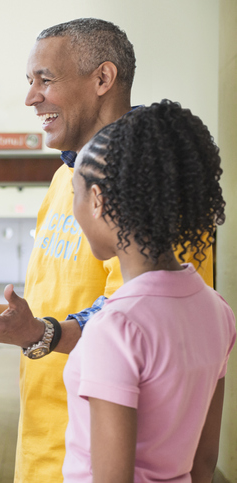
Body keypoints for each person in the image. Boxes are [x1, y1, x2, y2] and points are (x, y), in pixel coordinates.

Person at [0, 19, 214, 481]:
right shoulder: (63, 179)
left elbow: (131, 324)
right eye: (30, 82)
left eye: (45, 80)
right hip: (43, 453)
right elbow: (57, 309)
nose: (30, 97)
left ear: (103, 79)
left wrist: (38, 334)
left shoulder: (157, 191)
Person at [61, 100, 234, 481]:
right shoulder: (217, 310)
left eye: (76, 193)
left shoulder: (116, 328)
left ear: (97, 200)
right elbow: (204, 463)